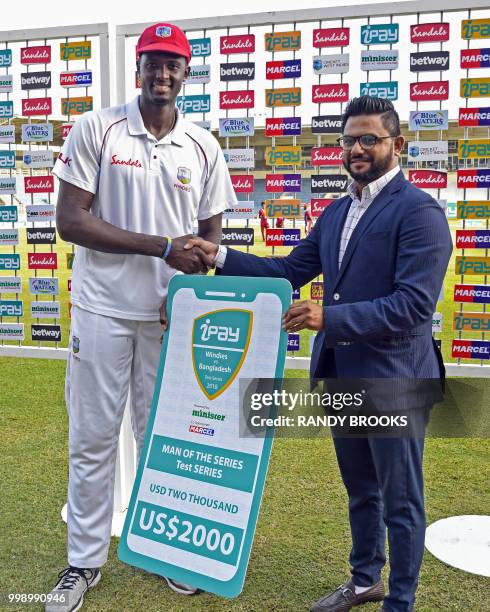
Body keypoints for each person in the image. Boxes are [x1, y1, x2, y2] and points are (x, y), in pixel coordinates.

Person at [185, 96, 452, 612]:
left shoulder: (419, 212)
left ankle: (401, 601)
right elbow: (289, 271)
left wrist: (328, 317)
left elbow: (413, 306)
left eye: (369, 138)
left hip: (394, 377)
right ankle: (365, 579)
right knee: (361, 490)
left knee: (401, 501)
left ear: (396, 145)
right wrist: (217, 254)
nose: (356, 147)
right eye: (349, 139)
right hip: (342, 374)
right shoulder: (336, 210)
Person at [47, 22, 236, 612]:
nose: (162, 73)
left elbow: (210, 236)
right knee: (93, 438)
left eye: (172, 63)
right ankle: (83, 562)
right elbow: (70, 221)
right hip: (102, 312)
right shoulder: (97, 128)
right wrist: (160, 248)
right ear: (139, 69)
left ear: (186, 72)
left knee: (163, 440)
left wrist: (187, 284)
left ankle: (169, 552)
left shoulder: (203, 144)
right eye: (152, 62)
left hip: (166, 319)